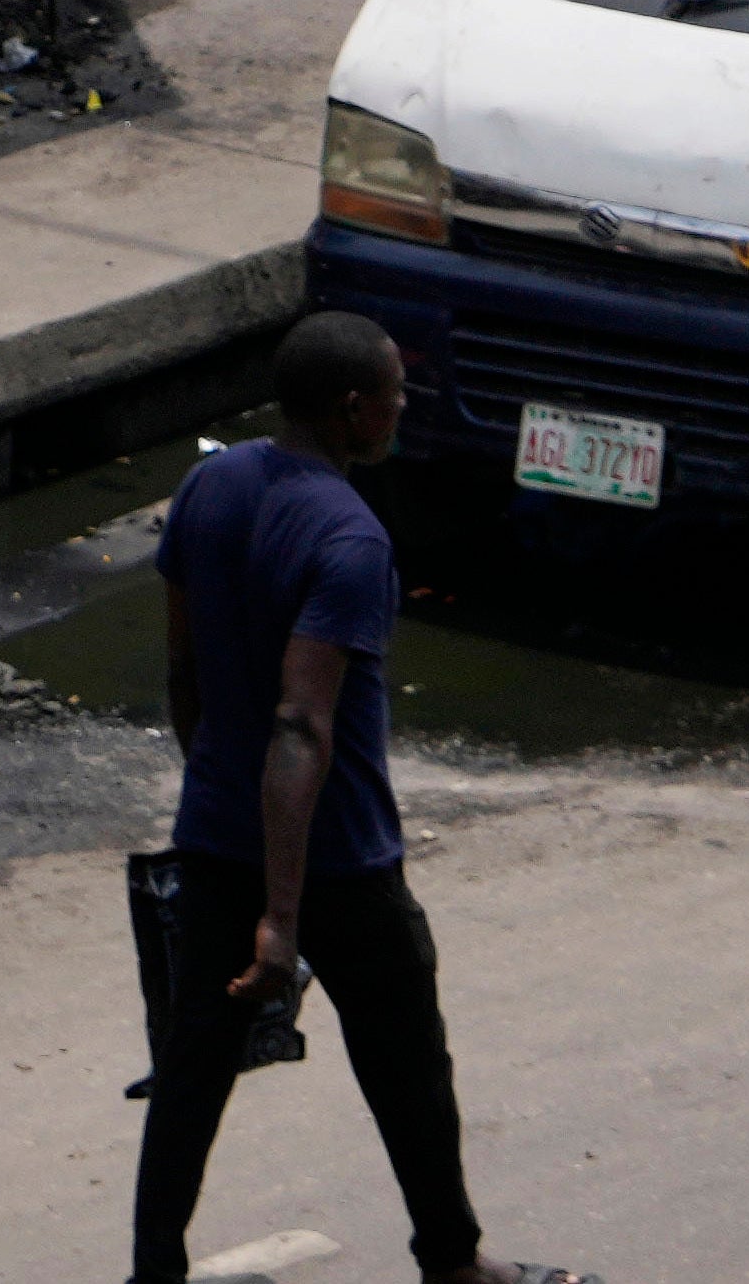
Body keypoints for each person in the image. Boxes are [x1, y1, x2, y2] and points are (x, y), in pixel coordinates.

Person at [138, 312, 575, 1284]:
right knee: (407, 1071)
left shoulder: (207, 486)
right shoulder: (351, 537)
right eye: (394, 394)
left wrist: (213, 792)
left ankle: (151, 1272)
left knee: (191, 1070)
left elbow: (182, 670)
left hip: (212, 841)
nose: (401, 407)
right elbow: (303, 726)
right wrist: (282, 923)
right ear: (351, 409)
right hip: (335, 860)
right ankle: (452, 1266)